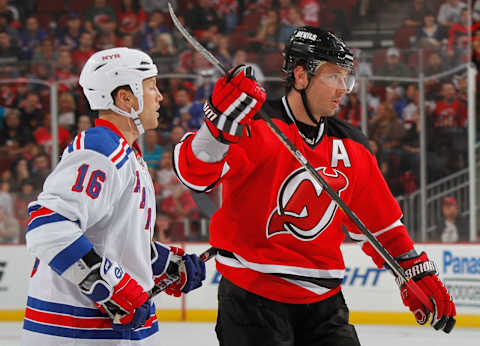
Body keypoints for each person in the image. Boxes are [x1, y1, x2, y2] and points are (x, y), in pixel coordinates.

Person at [173, 26, 456, 345]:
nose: (343, 89)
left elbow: (382, 226)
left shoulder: (353, 145)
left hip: (324, 306)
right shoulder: (254, 124)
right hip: (252, 303)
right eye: (333, 76)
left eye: (346, 78)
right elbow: (194, 174)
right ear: (301, 75)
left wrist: (413, 269)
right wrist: (216, 128)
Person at [21, 47, 206, 345]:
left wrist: (165, 264)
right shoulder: (99, 150)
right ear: (126, 97)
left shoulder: (126, 154)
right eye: (150, 87)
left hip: (109, 330)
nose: (159, 96)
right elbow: (48, 229)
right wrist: (106, 287)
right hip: (76, 330)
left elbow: (113, 239)